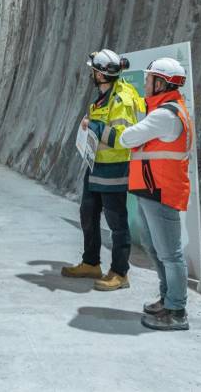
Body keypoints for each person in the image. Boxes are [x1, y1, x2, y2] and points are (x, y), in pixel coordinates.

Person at [116, 58, 192, 331]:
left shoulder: (165, 115)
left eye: (149, 79)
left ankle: (177, 310)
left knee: (170, 254)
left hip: (161, 190)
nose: (145, 83)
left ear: (161, 83)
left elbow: (127, 138)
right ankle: (167, 298)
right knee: (154, 247)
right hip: (150, 189)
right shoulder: (160, 110)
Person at [62, 49, 145, 291]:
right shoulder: (103, 95)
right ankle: (91, 263)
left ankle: (120, 273)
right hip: (96, 166)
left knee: (116, 222)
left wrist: (94, 126)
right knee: (88, 213)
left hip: (114, 168)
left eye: (94, 70)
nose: (91, 73)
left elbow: (122, 138)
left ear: (101, 75)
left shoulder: (121, 100)